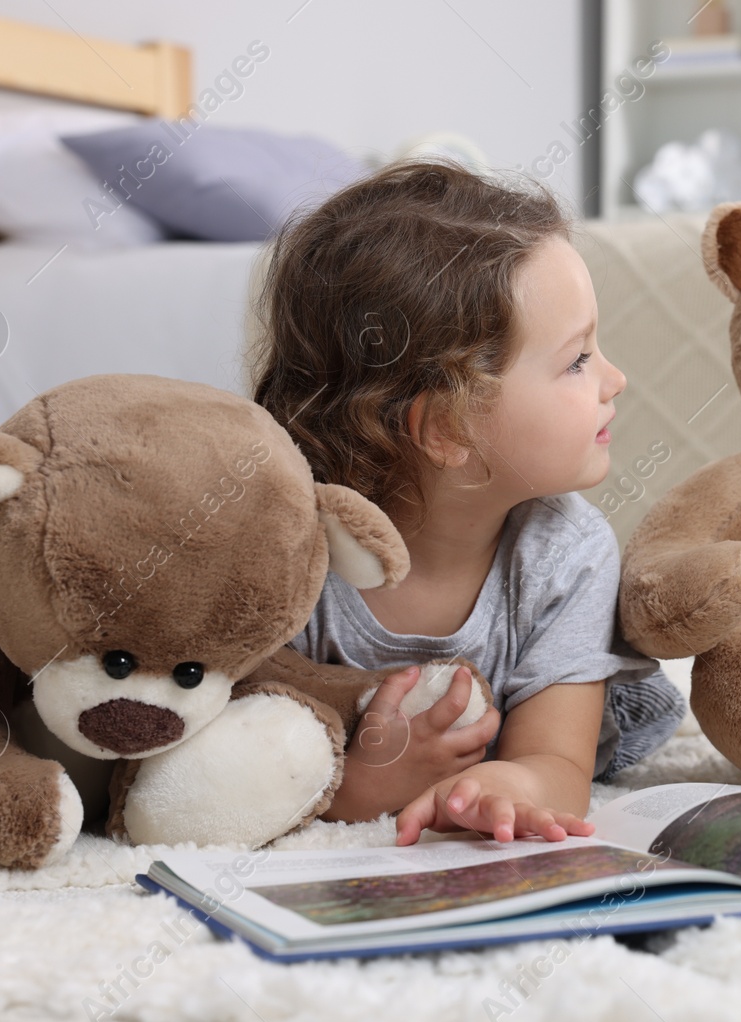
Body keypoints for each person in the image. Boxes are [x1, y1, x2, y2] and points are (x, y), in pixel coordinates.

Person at [252, 157, 688, 847]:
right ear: (449, 428)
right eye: (577, 359)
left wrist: (511, 785)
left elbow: (559, 761)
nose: (615, 379)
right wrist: (361, 787)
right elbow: (244, 741)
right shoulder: (292, 557)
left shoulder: (565, 552)